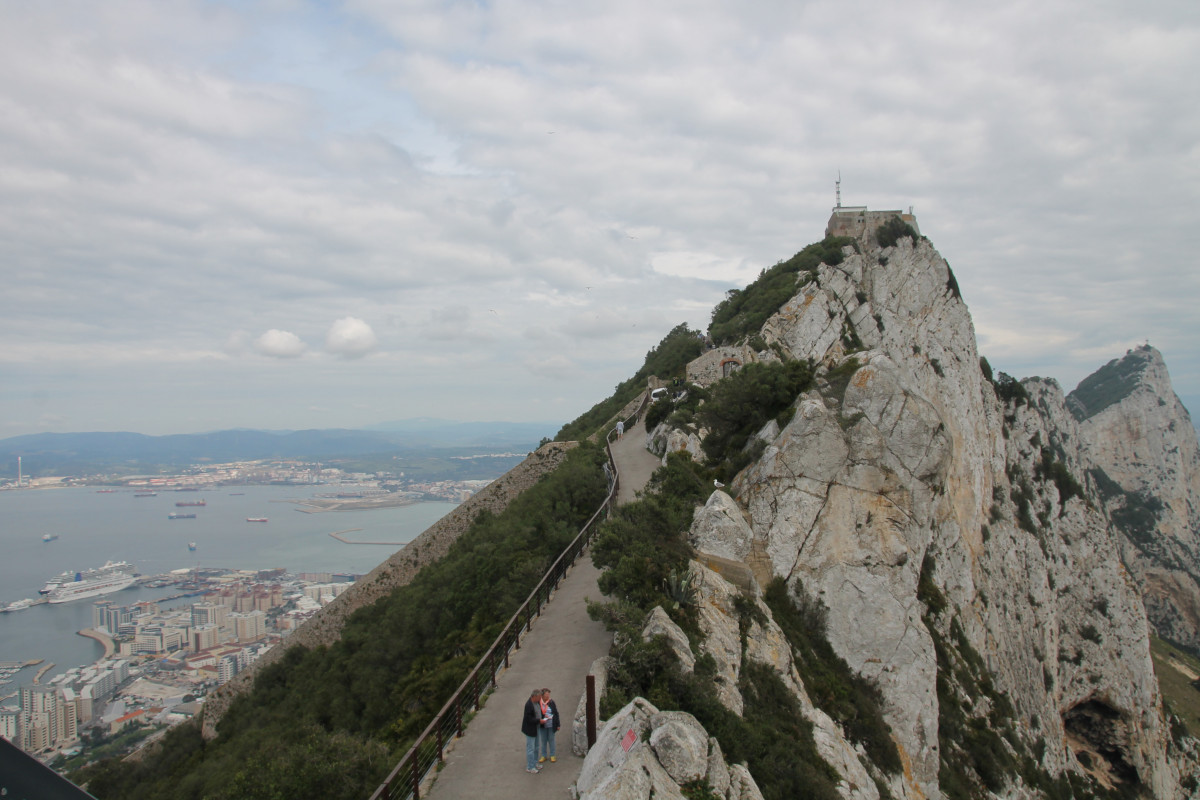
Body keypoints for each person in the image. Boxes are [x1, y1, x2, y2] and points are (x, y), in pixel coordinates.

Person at [521, 688, 543, 773]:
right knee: (531, 748)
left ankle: (535, 762)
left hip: (536, 728)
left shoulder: (536, 702)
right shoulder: (529, 705)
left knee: (537, 746)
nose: (540, 699)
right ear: (534, 696)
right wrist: (539, 721)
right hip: (530, 729)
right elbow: (529, 719)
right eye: (539, 697)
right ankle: (530, 767)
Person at [537, 687, 560, 764]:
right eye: (546, 695)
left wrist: (558, 724)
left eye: (548, 695)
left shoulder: (551, 702)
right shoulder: (538, 703)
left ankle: (552, 755)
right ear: (542, 696)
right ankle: (543, 755)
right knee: (543, 740)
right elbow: (537, 714)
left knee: (551, 740)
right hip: (543, 725)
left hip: (551, 725)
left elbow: (556, 713)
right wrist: (543, 717)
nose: (548, 696)